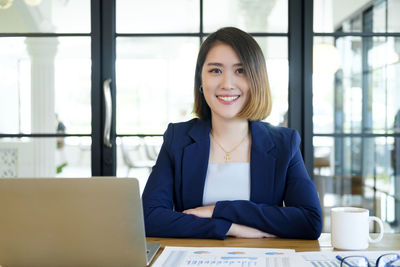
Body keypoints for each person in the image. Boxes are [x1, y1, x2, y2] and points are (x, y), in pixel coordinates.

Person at [142, 27, 322, 240]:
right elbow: (148, 218)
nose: (227, 84)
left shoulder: (284, 143)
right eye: (215, 70)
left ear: (257, 80)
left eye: (240, 70)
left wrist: (218, 210)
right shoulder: (178, 139)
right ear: (201, 80)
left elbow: (309, 222)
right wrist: (229, 228)